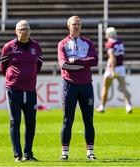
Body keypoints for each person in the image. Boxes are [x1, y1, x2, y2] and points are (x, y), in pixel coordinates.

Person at [0, 20, 43, 162]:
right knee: (15, 121)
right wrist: (14, 79)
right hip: (14, 90)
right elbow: (3, 67)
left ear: (30, 30)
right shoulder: (9, 47)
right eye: (21, 29)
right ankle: (17, 155)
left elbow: (39, 65)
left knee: (31, 122)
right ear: (16, 31)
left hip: (30, 90)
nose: (24, 31)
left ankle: (28, 154)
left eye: (26, 28)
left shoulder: (36, 46)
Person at [57, 15, 98, 160]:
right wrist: (83, 65)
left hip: (86, 85)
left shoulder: (88, 43)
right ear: (68, 26)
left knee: (89, 120)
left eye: (79, 24)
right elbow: (64, 65)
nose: (76, 26)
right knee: (67, 120)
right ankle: (64, 153)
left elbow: (95, 61)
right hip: (69, 85)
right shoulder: (62, 44)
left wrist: (78, 61)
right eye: (74, 24)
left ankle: (90, 153)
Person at [96, 27, 132, 114]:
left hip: (112, 67)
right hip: (121, 67)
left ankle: (102, 106)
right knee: (123, 88)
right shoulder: (120, 43)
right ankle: (128, 106)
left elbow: (112, 57)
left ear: (108, 34)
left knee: (105, 88)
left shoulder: (109, 43)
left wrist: (112, 70)